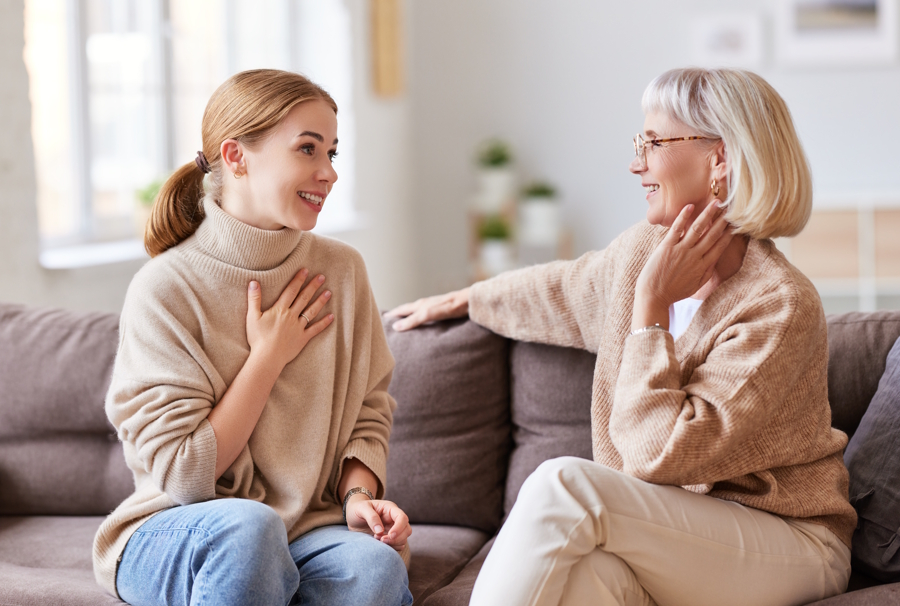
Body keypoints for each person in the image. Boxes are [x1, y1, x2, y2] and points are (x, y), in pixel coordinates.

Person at [386, 67, 855, 606]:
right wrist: (469, 299)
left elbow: (663, 454)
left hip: (791, 543)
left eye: (652, 143)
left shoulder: (778, 304)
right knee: (587, 579)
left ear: (719, 158)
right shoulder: (639, 254)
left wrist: (652, 309)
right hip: (674, 541)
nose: (637, 163)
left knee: (563, 485)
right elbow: (561, 289)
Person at [92, 69, 413, 606]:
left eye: (332, 153)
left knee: (374, 568)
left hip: (307, 533)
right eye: (307, 149)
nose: (327, 173)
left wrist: (358, 494)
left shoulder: (342, 271)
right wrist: (267, 357)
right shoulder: (165, 288)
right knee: (249, 530)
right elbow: (184, 476)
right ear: (237, 157)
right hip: (175, 526)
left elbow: (368, 408)